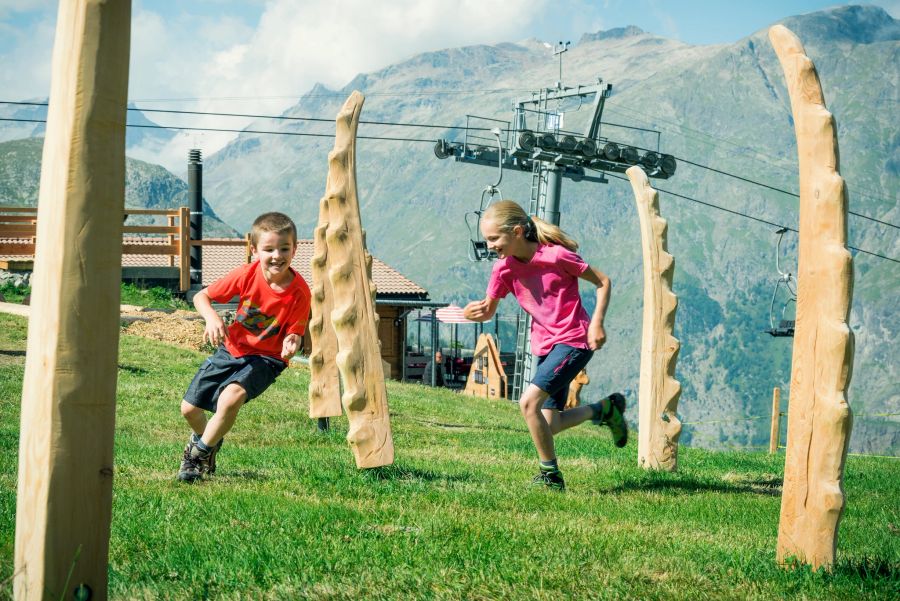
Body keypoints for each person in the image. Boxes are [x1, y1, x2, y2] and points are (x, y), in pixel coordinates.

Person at [463, 200, 627, 491]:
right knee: (548, 425)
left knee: (528, 404)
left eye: (493, 238)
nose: (489, 246)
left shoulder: (556, 256)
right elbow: (488, 311)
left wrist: (597, 323)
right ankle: (604, 409)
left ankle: (550, 477)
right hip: (545, 346)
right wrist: (470, 313)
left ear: (515, 232)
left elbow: (603, 281)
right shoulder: (503, 270)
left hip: (574, 340)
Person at [177, 212, 311, 482]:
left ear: (295, 249)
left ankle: (197, 456)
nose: (277, 255)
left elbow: (296, 332)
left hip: (267, 358)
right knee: (189, 409)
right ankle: (209, 441)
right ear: (254, 250)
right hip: (232, 349)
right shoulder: (246, 275)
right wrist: (212, 317)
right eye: (269, 249)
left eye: (284, 248)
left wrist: (291, 340)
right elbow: (202, 296)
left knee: (230, 398)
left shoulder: (300, 291)